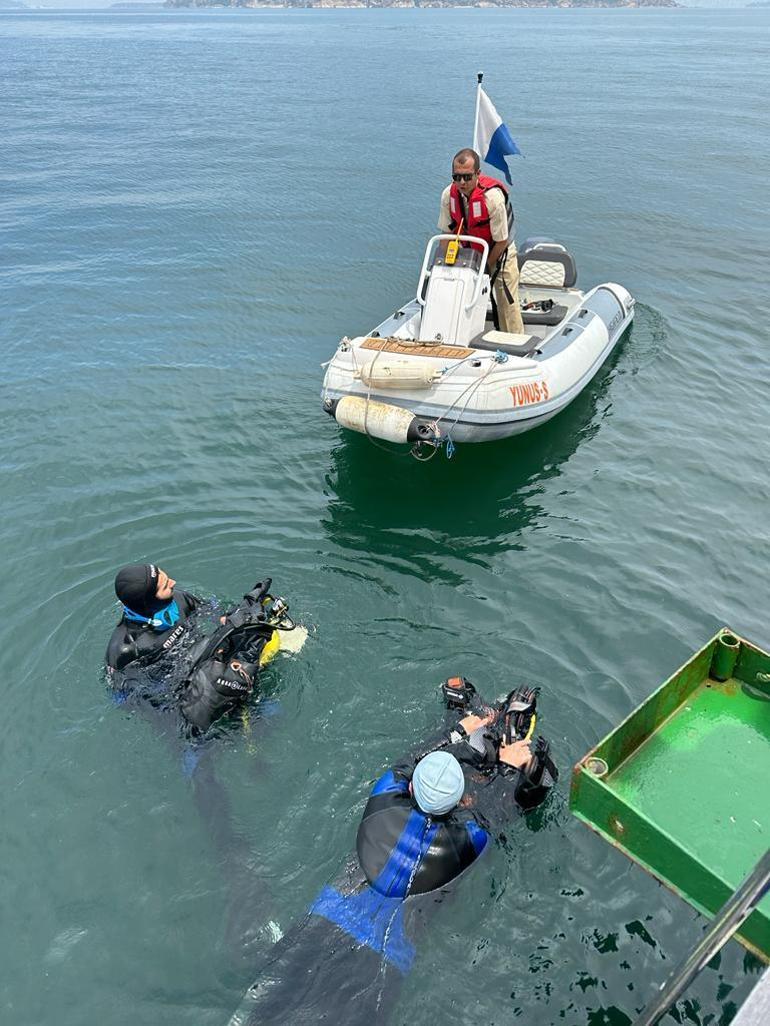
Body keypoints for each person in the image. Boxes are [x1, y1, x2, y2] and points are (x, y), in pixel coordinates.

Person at [229, 681, 557, 1026]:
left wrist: (463, 732)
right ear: (462, 802)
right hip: (384, 960)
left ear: (411, 786)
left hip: (323, 924)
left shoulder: (385, 795)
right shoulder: (470, 840)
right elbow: (510, 805)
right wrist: (512, 766)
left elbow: (413, 760)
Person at [105, 563, 294, 734]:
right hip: (180, 695)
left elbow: (216, 614)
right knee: (199, 748)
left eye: (166, 577)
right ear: (147, 601)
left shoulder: (179, 599)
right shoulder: (124, 649)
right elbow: (127, 699)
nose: (173, 582)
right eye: (164, 586)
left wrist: (241, 616)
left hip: (212, 664)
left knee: (269, 716)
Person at [438, 147, 525, 335]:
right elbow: (446, 234)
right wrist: (444, 265)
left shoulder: (492, 199)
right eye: (457, 177)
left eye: (467, 177)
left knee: (506, 300)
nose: (462, 182)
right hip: (469, 253)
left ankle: (516, 343)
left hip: (499, 253)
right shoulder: (448, 195)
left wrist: (484, 268)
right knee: (455, 293)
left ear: (478, 174)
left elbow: (501, 241)